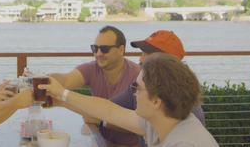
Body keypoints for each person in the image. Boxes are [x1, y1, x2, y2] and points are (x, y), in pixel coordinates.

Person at [40, 53, 219, 147]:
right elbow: (109, 111)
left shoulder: (184, 143)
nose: (133, 93)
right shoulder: (165, 120)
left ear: (156, 101)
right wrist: (62, 97)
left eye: (137, 88)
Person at [49, 25, 141, 146]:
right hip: (100, 141)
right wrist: (42, 80)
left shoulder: (138, 76)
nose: (98, 53)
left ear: (121, 49)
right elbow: (66, 80)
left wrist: (100, 120)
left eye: (104, 49)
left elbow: (141, 125)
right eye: (95, 48)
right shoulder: (92, 68)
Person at [109, 30, 205, 126]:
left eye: (147, 54)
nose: (140, 59)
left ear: (168, 61)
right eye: (142, 53)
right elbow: (109, 107)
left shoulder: (186, 108)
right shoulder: (140, 88)